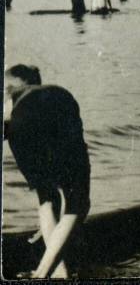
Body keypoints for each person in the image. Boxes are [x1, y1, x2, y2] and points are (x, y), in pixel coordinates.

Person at [3, 64, 91, 279]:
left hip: (16, 125)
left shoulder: (12, 95)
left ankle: (60, 272)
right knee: (77, 204)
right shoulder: (52, 92)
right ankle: (43, 274)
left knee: (46, 198)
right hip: (54, 116)